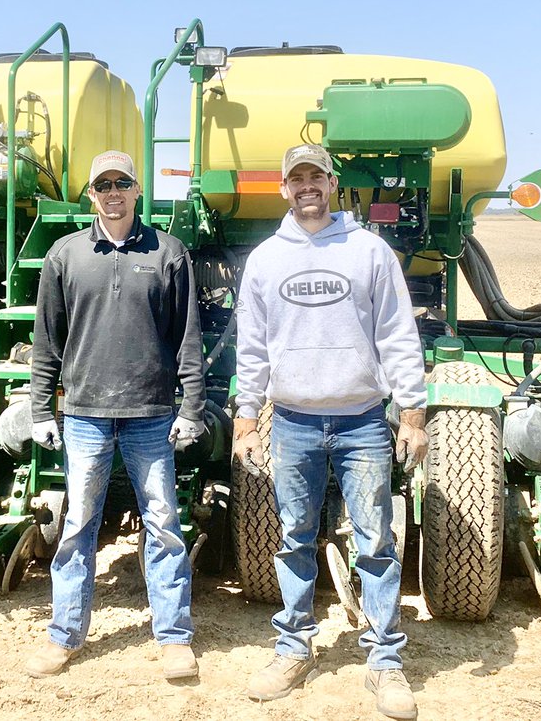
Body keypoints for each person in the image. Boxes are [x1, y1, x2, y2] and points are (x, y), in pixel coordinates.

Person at [232, 143, 429, 720]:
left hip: (362, 420)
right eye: (298, 178)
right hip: (291, 419)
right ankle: (293, 647)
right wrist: (247, 415)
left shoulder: (370, 251)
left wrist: (412, 411)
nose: (308, 186)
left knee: (375, 541)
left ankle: (385, 662)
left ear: (332, 182)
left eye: (317, 175)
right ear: (284, 189)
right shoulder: (266, 260)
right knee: (293, 538)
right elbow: (251, 347)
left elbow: (397, 333)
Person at [24, 150, 206, 682]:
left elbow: (186, 341)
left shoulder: (169, 253)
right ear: (90, 194)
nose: (113, 192)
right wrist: (41, 409)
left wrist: (191, 408)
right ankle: (65, 636)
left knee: (165, 525)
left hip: (151, 414)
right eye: (102, 184)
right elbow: (45, 343)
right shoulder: (65, 255)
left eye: (122, 182)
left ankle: (173, 639)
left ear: (136, 190)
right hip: (84, 414)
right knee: (78, 527)